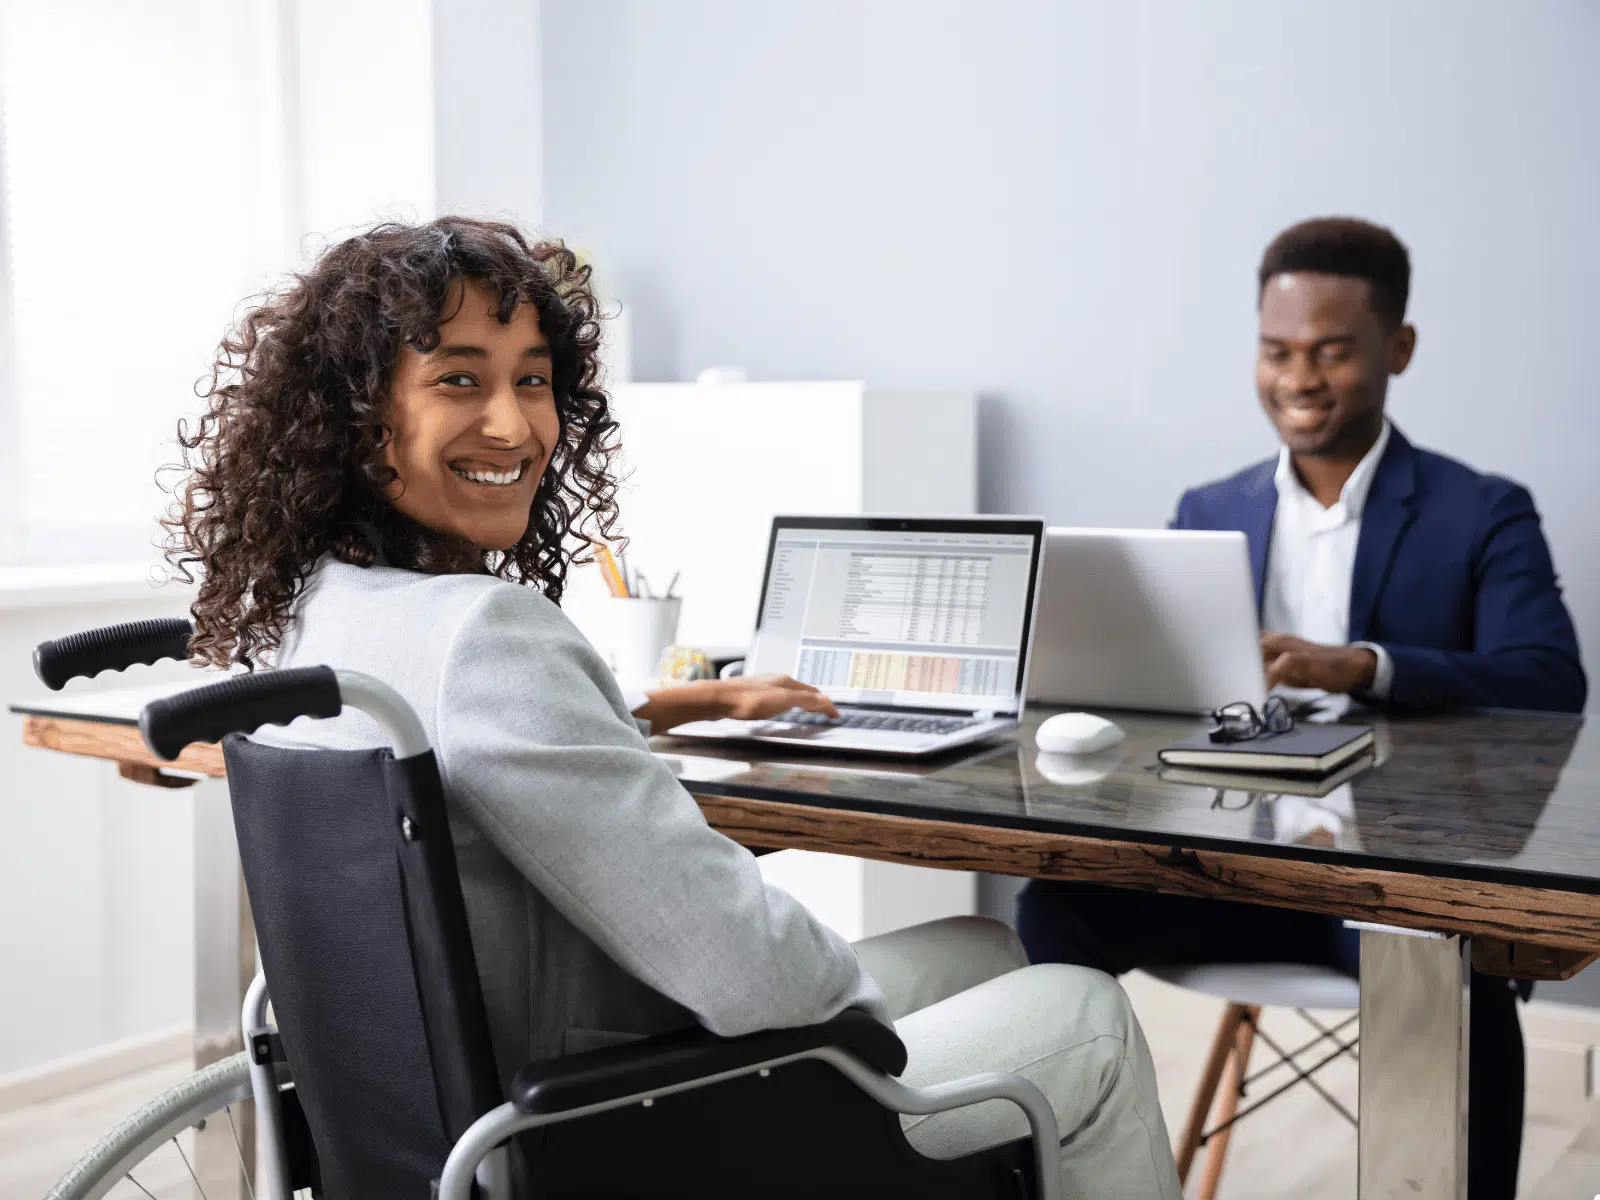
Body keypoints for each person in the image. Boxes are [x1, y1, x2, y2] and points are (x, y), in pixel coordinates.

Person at [165, 216, 1181, 1196]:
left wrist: (657, 707)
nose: (514, 424)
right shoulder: (485, 636)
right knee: (1079, 1011)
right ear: (358, 421)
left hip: (455, 1126)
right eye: (459, 380)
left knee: (983, 949)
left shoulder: (312, 620)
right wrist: (858, 1035)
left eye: (533, 381)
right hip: (615, 1130)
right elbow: (751, 979)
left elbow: (481, 748)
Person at [1018, 216, 1587, 1200]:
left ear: (1396, 349)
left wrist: (1359, 667)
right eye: (1275, 352)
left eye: (1330, 351)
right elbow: (1155, 687)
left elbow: (1547, 679)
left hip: (1386, 886)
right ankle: (1066, 1179)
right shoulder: (1209, 509)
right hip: (1225, 869)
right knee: (1051, 908)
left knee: (1448, 961)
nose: (1298, 379)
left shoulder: (1481, 509)